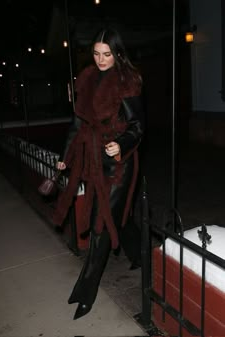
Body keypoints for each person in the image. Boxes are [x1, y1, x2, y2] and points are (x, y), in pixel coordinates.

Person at [53, 27, 145, 320]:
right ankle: (140, 255)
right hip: (94, 159)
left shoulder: (127, 81)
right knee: (122, 216)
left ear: (117, 53)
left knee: (102, 224)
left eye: (106, 53)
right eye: (96, 53)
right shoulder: (88, 78)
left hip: (120, 161)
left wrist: (121, 143)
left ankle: (85, 293)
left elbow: (138, 127)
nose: (101, 59)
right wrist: (65, 157)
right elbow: (77, 124)